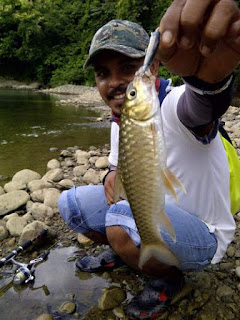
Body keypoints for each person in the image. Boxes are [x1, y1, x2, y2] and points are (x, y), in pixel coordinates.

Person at [58, 1, 240, 319]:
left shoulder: (177, 105)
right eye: (103, 73)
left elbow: (204, 106)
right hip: (152, 208)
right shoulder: (126, 118)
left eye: (128, 68)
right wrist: (108, 176)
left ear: (153, 67)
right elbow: (117, 166)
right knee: (70, 205)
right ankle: (131, 252)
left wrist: (210, 80)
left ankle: (168, 277)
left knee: (118, 225)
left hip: (203, 233)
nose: (114, 82)